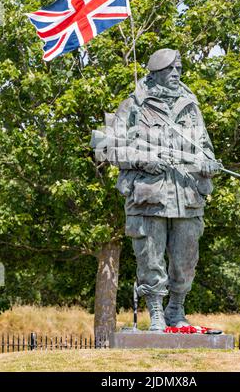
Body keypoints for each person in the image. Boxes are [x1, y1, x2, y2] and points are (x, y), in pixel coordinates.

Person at [93, 48, 218, 331]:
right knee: (150, 259)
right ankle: (157, 313)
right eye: (169, 70)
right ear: (155, 72)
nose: (176, 75)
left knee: (186, 261)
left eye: (179, 69)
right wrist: (144, 159)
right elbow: (105, 148)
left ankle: (176, 309)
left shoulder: (191, 106)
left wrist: (208, 163)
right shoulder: (133, 106)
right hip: (148, 196)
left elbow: (205, 148)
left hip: (187, 196)